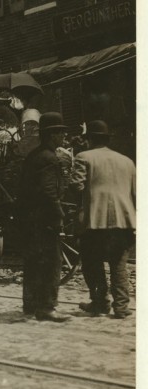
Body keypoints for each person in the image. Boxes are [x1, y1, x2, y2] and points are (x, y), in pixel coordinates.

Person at [69, 120, 136, 319]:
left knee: (91, 262)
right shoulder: (127, 161)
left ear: (89, 139)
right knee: (119, 265)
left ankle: (100, 302)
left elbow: (76, 186)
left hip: (95, 221)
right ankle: (122, 307)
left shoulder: (84, 157)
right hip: (124, 221)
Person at [16, 112, 70, 322]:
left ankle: (30, 304)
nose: (64, 137)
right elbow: (49, 192)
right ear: (51, 135)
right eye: (60, 133)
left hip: (29, 218)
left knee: (33, 261)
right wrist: (59, 213)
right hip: (44, 218)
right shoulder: (49, 158)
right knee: (51, 262)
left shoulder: (34, 155)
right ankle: (47, 307)